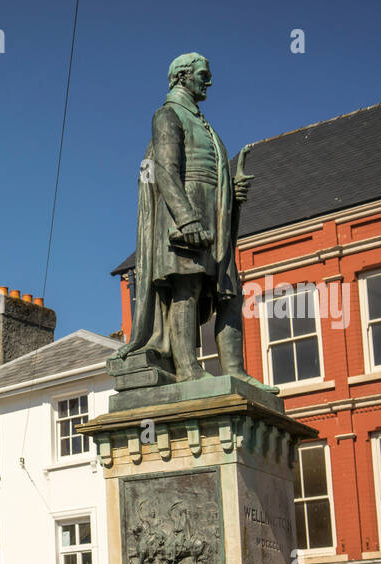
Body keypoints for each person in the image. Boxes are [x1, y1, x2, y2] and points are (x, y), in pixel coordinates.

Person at [116, 52, 275, 392]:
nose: (210, 80)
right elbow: (165, 171)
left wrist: (233, 191)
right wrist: (186, 219)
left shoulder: (203, 124)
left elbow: (208, 173)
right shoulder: (167, 115)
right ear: (182, 76)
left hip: (214, 215)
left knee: (228, 292)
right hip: (183, 218)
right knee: (186, 287)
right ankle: (188, 369)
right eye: (204, 74)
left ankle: (236, 371)